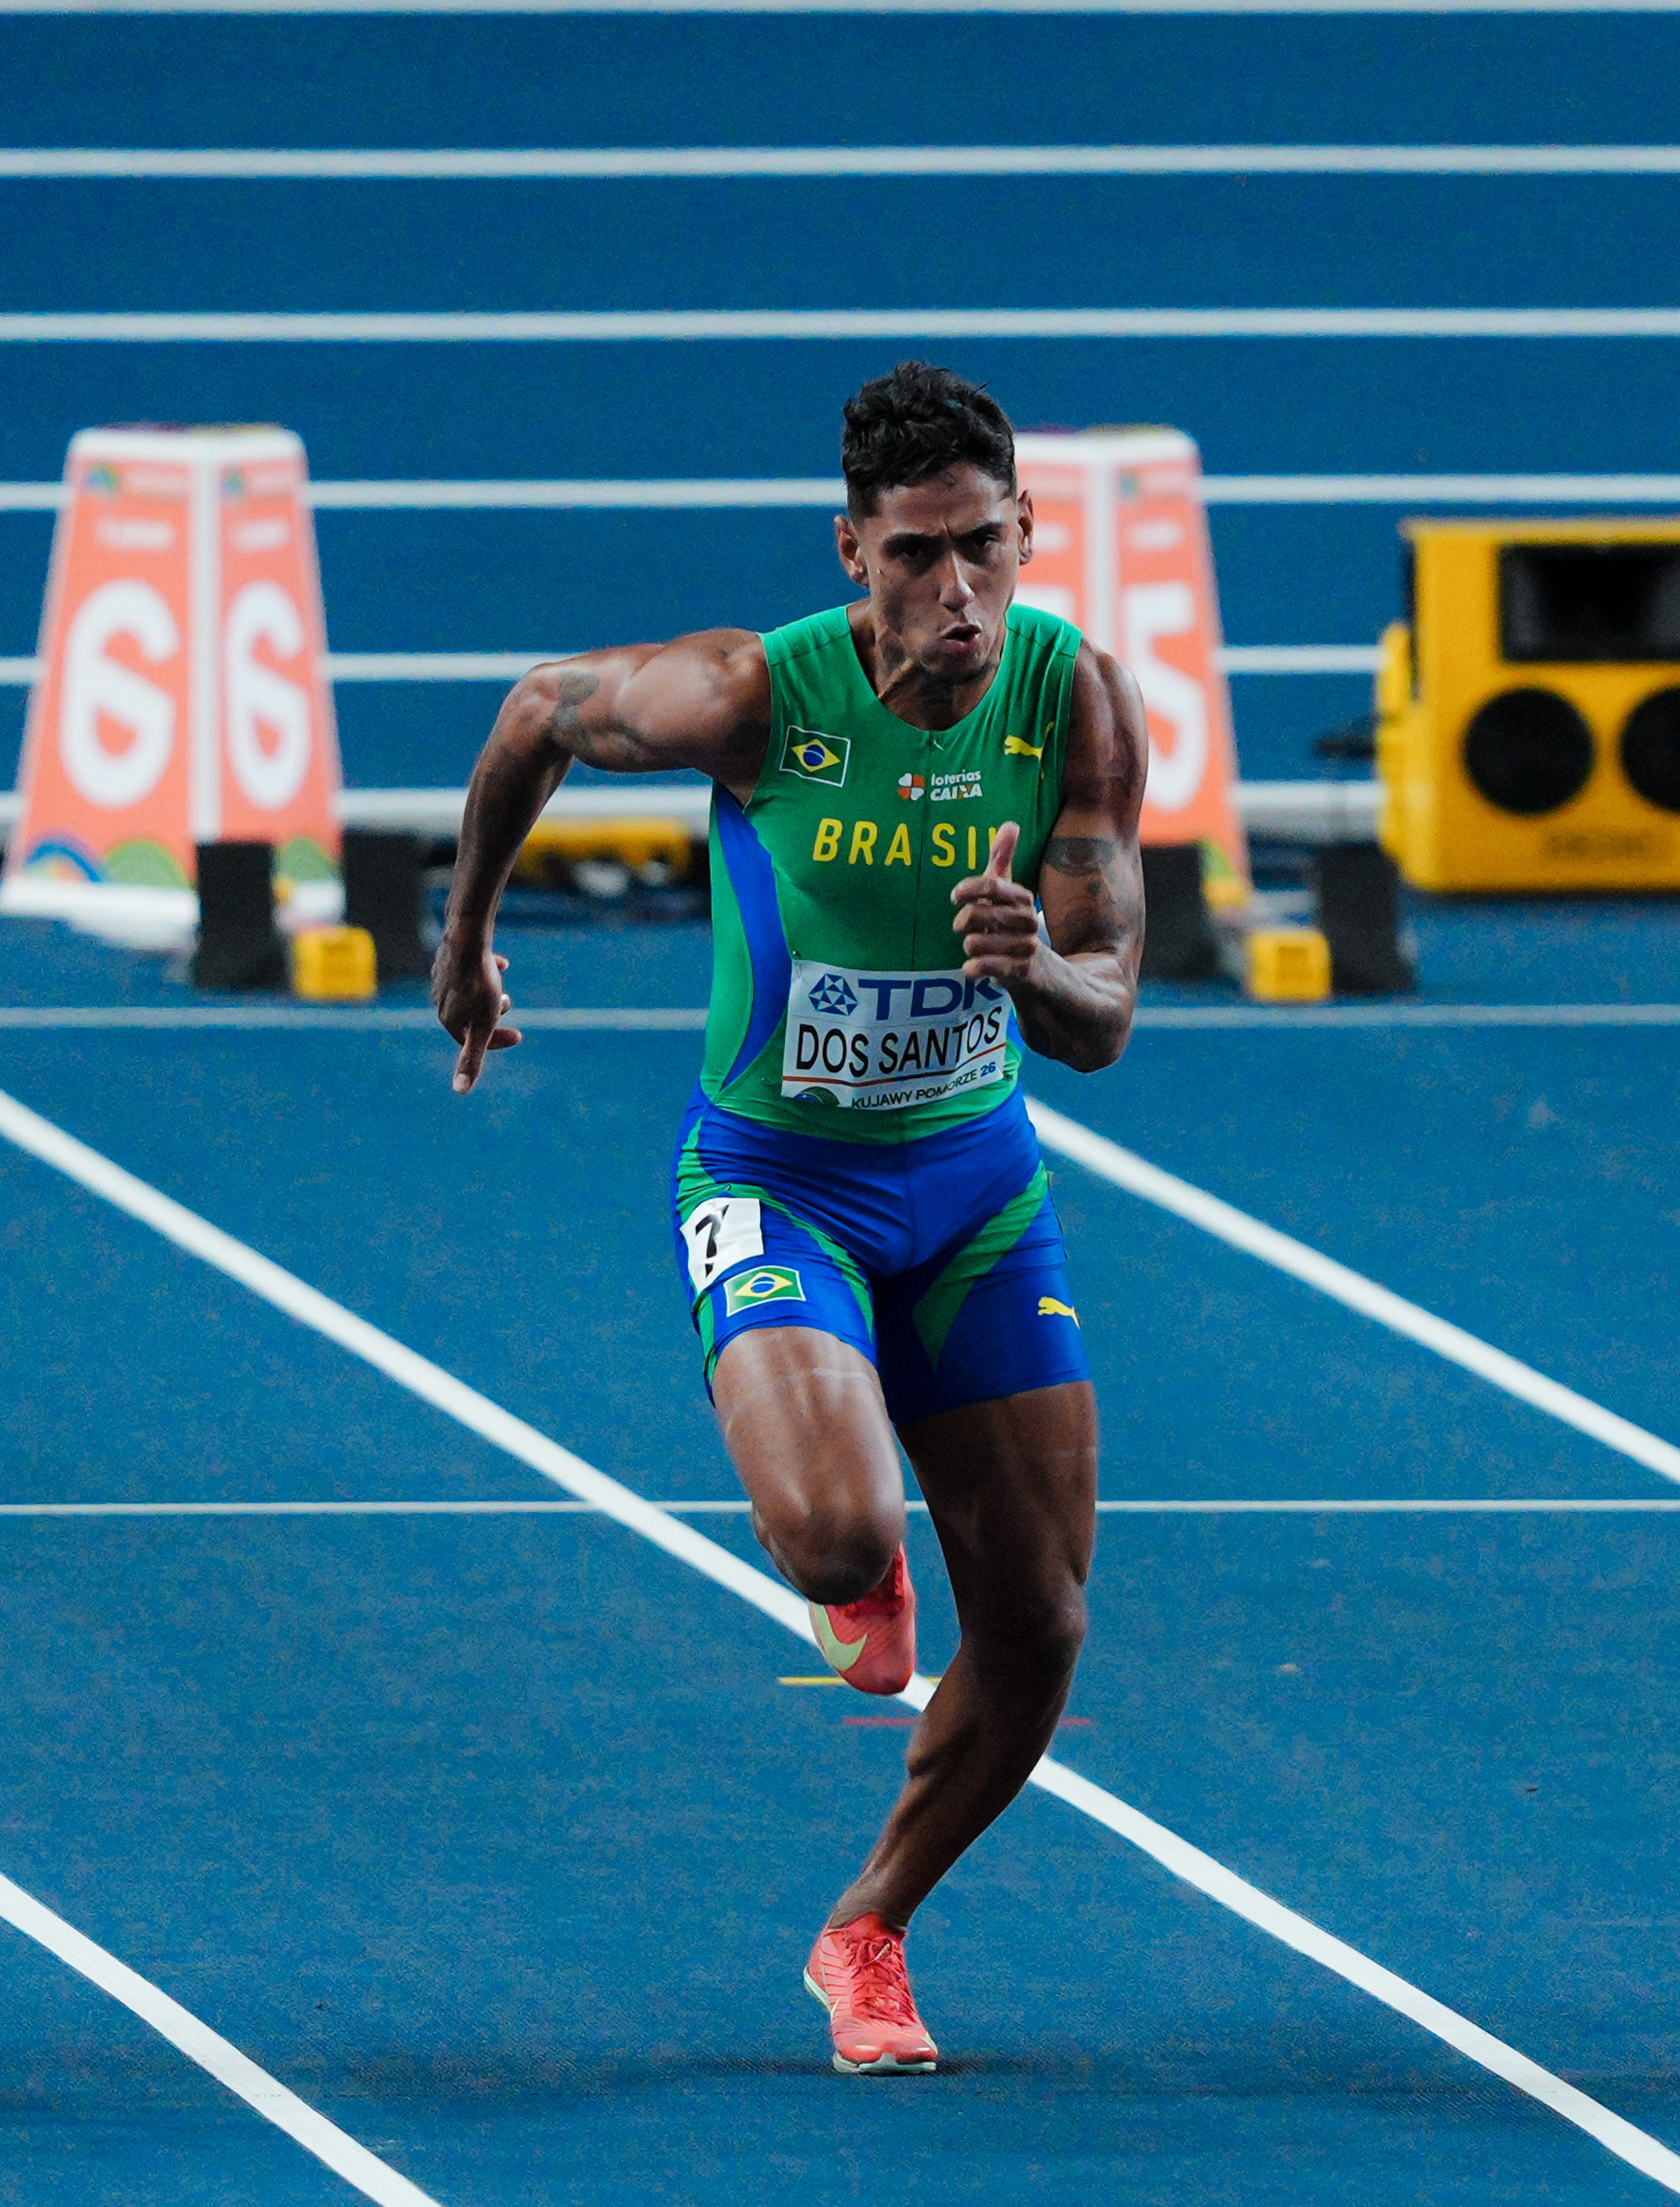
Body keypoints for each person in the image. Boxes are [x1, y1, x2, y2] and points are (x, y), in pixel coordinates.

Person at [431, 362, 1148, 2071]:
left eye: (983, 548)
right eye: (914, 556)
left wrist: (1033, 968)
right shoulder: (755, 697)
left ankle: (868, 1930)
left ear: (1028, 531)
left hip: (974, 1191)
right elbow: (535, 710)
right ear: (851, 552)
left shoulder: (1073, 698)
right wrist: (464, 945)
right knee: (833, 1540)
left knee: (1040, 1620)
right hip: (777, 1178)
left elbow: (1106, 1011)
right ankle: (855, 1552)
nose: (957, 592)